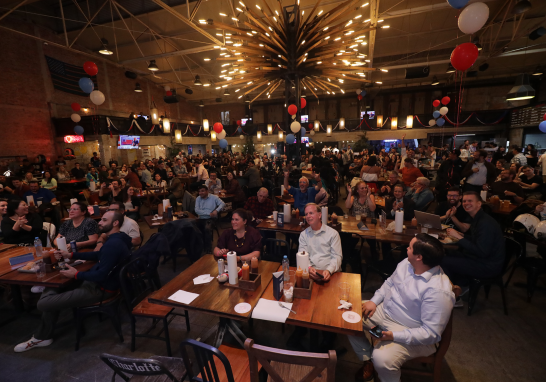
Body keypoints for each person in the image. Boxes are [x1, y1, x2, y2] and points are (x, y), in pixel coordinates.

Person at [14, 211, 131, 353]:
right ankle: (43, 336)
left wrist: (76, 274)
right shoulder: (120, 238)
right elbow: (98, 254)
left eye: (104, 220)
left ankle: (46, 292)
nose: (99, 222)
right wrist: (71, 254)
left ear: (115, 223)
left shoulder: (113, 244)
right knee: (57, 283)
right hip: (103, 283)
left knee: (43, 303)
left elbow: (100, 275)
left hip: (100, 289)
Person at [348, 234, 454, 382]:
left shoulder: (438, 291)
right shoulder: (408, 263)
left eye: (410, 247)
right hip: (385, 311)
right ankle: (368, 359)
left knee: (383, 359)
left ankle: (379, 366)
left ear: (419, 257)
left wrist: (393, 336)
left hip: (410, 330)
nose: (406, 249)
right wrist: (374, 300)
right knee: (348, 316)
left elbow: (431, 334)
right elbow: (390, 282)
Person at [441, 192, 505, 296]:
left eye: (470, 201)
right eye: (464, 201)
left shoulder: (485, 223)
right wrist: (463, 236)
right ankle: (462, 284)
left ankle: (454, 295)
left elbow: (481, 252)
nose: (466, 203)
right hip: (483, 259)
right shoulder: (479, 218)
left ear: (479, 204)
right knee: (448, 253)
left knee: (442, 261)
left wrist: (459, 237)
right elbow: (478, 240)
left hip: (487, 265)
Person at [298, 203, 342, 281]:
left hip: (331, 273)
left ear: (319, 215)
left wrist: (329, 270)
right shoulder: (303, 235)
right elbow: (303, 256)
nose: (308, 216)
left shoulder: (333, 234)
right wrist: (309, 268)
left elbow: (337, 256)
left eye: (311, 213)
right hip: (311, 273)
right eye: (306, 214)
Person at [195, 185, 225, 252]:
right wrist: (208, 213)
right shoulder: (198, 198)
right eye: (199, 191)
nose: (200, 193)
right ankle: (197, 247)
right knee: (192, 228)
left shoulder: (214, 197)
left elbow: (222, 204)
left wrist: (216, 210)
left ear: (207, 191)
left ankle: (208, 249)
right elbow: (196, 210)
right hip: (201, 218)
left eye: (202, 191)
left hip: (211, 219)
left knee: (207, 228)